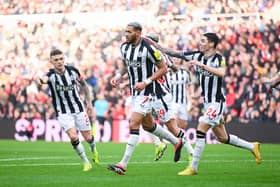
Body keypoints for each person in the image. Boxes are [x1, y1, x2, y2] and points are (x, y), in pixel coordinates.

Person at [158, 32, 262, 175]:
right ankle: (252, 146)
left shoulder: (219, 59)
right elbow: (174, 53)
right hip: (208, 103)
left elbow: (222, 73)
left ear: (212, 44)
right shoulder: (195, 55)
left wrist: (202, 66)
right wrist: (155, 46)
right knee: (223, 138)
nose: (200, 43)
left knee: (201, 127)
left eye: (203, 41)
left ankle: (193, 167)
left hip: (217, 102)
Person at [108, 22, 183, 175]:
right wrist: (118, 76)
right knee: (148, 126)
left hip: (149, 91)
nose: (126, 34)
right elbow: (126, 64)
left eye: (129, 32)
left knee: (134, 122)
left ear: (138, 32)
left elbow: (163, 68)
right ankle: (176, 142)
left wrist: (146, 82)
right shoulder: (124, 47)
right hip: (136, 91)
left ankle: (123, 164)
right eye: (125, 31)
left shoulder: (149, 48)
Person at [38, 49, 99, 171]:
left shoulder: (72, 71)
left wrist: (89, 103)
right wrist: (42, 80)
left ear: (64, 59)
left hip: (79, 109)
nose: (59, 62)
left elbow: (85, 85)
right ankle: (86, 162)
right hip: (63, 112)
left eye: (61, 59)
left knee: (88, 138)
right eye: (56, 60)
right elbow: (44, 79)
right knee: (73, 137)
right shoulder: (50, 75)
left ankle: (94, 150)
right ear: (51, 61)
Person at [145, 33, 194, 160]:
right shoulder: (156, 55)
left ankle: (190, 151)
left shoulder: (157, 55)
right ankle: (159, 144)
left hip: (161, 94)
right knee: (142, 119)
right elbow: (174, 68)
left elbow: (173, 68)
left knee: (172, 126)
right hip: (151, 93)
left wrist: (165, 70)